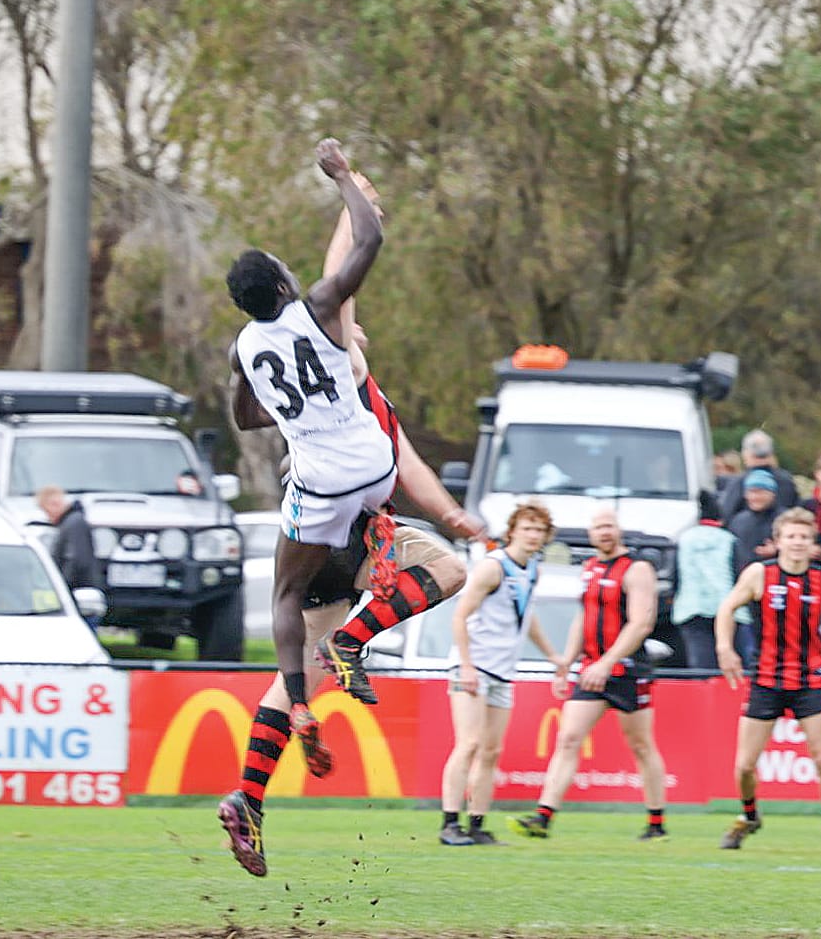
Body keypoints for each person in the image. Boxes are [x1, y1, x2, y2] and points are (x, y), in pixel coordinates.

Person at [219, 167, 486, 877]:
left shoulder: (268, 349)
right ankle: (352, 642)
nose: (350, 325)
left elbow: (254, 401)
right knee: (447, 569)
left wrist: (449, 511)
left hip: (316, 518)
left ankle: (249, 795)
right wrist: (352, 195)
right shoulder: (350, 369)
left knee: (296, 668)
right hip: (357, 514)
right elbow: (343, 275)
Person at [227, 137, 403, 732]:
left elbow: (246, 418)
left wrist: (286, 412)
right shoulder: (320, 306)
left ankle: (299, 704)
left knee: (286, 593)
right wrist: (341, 175)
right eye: (284, 269)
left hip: (321, 481)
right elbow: (369, 240)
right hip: (376, 466)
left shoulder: (244, 349)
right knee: (369, 504)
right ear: (282, 287)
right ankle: (378, 534)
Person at [515, 506, 669, 840]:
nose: (604, 532)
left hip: (628, 670)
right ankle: (543, 816)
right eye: (598, 527)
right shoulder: (590, 567)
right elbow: (583, 617)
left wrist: (607, 662)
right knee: (568, 738)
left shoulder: (637, 568)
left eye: (609, 526)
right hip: (591, 670)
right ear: (590, 533)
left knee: (641, 745)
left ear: (619, 529)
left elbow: (641, 622)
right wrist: (567, 663)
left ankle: (656, 823)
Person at [715, 507, 821, 854]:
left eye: (804, 537)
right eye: (791, 536)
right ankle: (749, 816)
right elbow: (726, 609)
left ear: (813, 543)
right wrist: (725, 649)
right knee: (744, 765)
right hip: (766, 680)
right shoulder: (760, 574)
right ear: (778, 541)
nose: (797, 542)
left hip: (809, 681)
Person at [440, 500, 564, 845]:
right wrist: (466, 665)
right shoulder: (492, 567)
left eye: (539, 530)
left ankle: (477, 825)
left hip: (502, 671)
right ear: (512, 532)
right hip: (474, 666)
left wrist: (553, 655)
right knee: (469, 744)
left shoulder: (532, 569)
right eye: (527, 528)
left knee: (491, 751)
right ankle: (449, 823)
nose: (533, 535)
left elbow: (525, 616)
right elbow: (459, 616)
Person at [672, 491, 747, 670]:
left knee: (701, 668)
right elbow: (739, 574)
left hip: (691, 609)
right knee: (733, 666)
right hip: (728, 611)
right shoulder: (729, 540)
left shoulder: (684, 539)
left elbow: (676, 577)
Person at [715, 428, 797, 512]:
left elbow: (726, 513)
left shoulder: (739, 482)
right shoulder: (787, 481)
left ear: (745, 453)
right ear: (771, 453)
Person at [37, 484, 97, 596]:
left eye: (46, 511)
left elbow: (77, 561)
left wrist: (63, 586)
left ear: (54, 504)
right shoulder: (72, 522)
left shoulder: (73, 524)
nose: (48, 517)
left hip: (77, 591)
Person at [726, 469, 782, 567]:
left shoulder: (785, 519)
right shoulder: (738, 521)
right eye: (751, 492)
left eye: (761, 492)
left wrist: (779, 550)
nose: (755, 497)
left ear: (772, 494)